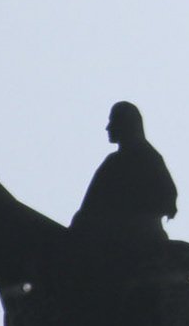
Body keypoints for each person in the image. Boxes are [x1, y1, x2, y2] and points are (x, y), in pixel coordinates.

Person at [72, 101, 178, 268]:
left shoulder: (138, 159)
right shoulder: (122, 161)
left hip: (131, 242)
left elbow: (167, 199)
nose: (108, 128)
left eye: (113, 121)